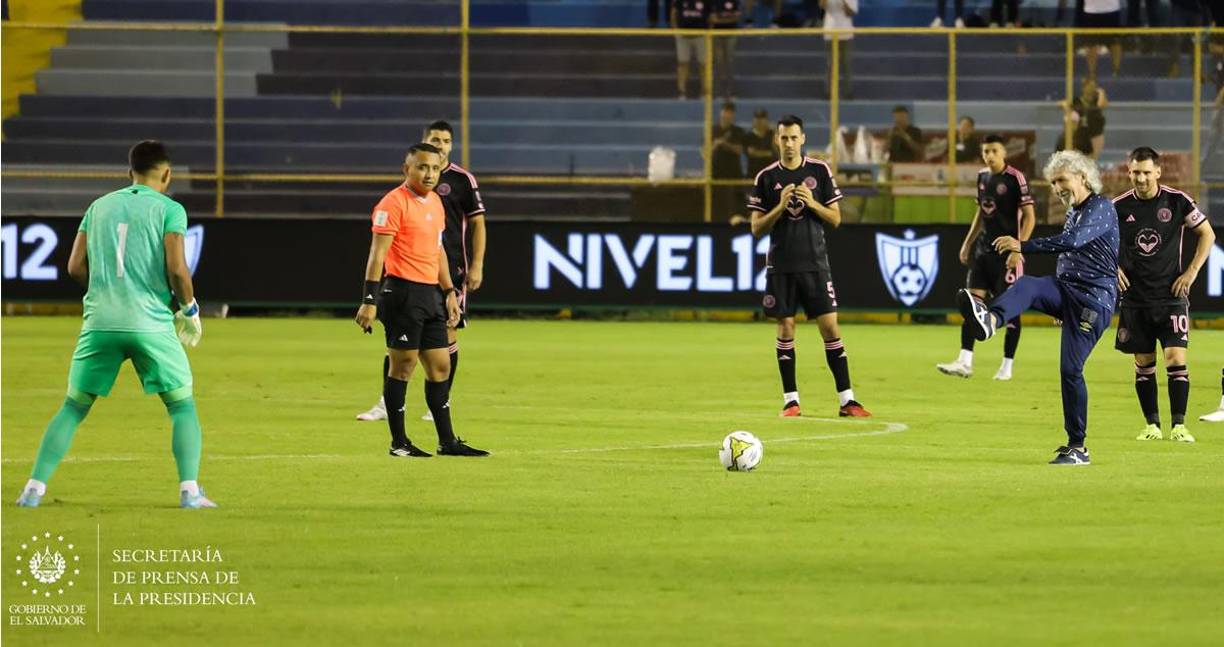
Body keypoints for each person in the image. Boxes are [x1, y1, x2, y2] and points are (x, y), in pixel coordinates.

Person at [15, 140, 216, 508]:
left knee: (73, 407)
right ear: (167, 174)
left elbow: (74, 267)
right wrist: (189, 309)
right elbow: (177, 268)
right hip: (150, 323)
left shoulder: (98, 206)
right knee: (181, 406)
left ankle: (33, 489)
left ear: (130, 172)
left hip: (100, 322)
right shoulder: (170, 209)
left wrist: (104, 292)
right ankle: (190, 491)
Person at [959, 150, 1119, 465]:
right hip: (1068, 294)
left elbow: (1072, 242)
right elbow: (1069, 256)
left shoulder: (1101, 206)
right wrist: (1058, 305)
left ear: (1082, 177)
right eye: (1053, 183)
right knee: (1029, 285)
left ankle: (1078, 447)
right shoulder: (1076, 211)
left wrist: (1022, 245)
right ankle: (991, 320)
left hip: (1092, 302)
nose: (1057, 188)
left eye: (1062, 180)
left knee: (1070, 370)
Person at [354, 143, 488, 458]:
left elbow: (437, 250)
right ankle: (399, 442)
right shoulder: (393, 203)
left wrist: (449, 291)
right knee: (403, 366)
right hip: (402, 292)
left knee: (441, 366)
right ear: (407, 169)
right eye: (422, 167)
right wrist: (369, 299)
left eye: (434, 168)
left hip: (431, 293)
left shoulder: (436, 203)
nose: (429, 174)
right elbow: (377, 254)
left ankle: (447, 442)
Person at [747, 115, 871, 418]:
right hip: (781, 265)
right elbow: (756, 228)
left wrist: (812, 202)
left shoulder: (819, 170)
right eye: (784, 138)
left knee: (830, 328)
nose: (789, 143)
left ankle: (847, 401)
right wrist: (780, 206)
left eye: (794, 137)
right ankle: (791, 401)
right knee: (786, 327)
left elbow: (836, 218)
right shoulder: (766, 178)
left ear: (802, 139)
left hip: (815, 263)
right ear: (776, 140)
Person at [1112, 147, 1216, 442]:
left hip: (1171, 297)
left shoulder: (1177, 201)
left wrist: (1192, 272)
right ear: (1129, 172)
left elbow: (1207, 234)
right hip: (1135, 299)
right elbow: (1096, 241)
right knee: (1144, 364)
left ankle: (1179, 425)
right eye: (1135, 172)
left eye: (1146, 172)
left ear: (1158, 172)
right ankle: (1152, 426)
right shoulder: (1117, 207)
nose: (1141, 178)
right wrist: (1111, 267)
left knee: (1174, 358)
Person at [937, 134, 1036, 380]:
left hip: (1007, 254)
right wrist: (967, 243)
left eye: (994, 151)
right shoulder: (982, 177)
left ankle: (1007, 366)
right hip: (983, 252)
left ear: (1004, 153)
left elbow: (1030, 217)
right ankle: (964, 361)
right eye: (985, 151)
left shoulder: (1015, 178)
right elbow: (981, 213)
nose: (989, 155)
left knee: (1010, 309)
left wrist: (1017, 249)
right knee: (973, 304)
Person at [711, 102, 746, 220]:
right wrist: (716, 145)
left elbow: (739, 150)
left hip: (734, 175)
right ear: (721, 113)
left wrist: (725, 144)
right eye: (725, 112)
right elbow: (705, 152)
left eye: (730, 113)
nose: (727, 115)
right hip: (716, 174)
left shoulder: (738, 131)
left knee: (734, 206)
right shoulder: (713, 130)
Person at [1060, 78, 1108, 159]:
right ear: (1083, 87)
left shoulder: (1096, 100)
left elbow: (1101, 105)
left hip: (1094, 134)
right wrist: (1065, 106)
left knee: (1092, 158)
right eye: (1089, 86)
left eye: (1093, 87)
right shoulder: (1077, 100)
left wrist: (1101, 92)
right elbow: (1063, 103)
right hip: (1080, 134)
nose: (1091, 89)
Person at [672, 0, 709, 99]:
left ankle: (705, 92)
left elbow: (710, 15)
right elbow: (674, 13)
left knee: (704, 64)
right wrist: (675, 30)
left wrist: (708, 32)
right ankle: (681, 92)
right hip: (683, 35)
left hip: (701, 36)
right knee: (682, 63)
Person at [821, 0, 857, 99]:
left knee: (846, 64)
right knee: (830, 64)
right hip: (830, 32)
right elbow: (822, 5)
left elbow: (851, 13)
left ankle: (848, 92)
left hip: (846, 33)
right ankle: (829, 92)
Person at [1079, 0, 1123, 78]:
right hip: (1091, 10)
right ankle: (1091, 74)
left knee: (1114, 42)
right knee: (1090, 44)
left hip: (1111, 9)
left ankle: (1116, 72)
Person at [709, 0, 742, 99]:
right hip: (716, 35)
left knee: (730, 63)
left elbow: (737, 17)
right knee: (718, 63)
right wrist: (729, 18)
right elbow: (713, 19)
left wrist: (720, 19)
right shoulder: (713, 2)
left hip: (731, 34)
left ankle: (730, 92)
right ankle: (718, 93)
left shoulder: (735, 1)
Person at [744, 108, 777, 178]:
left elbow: (776, 152)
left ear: (767, 120)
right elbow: (751, 153)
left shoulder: (771, 135)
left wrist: (775, 131)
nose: (759, 121)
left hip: (770, 175)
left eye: (762, 118)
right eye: (757, 118)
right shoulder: (749, 136)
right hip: (753, 175)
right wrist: (768, 153)